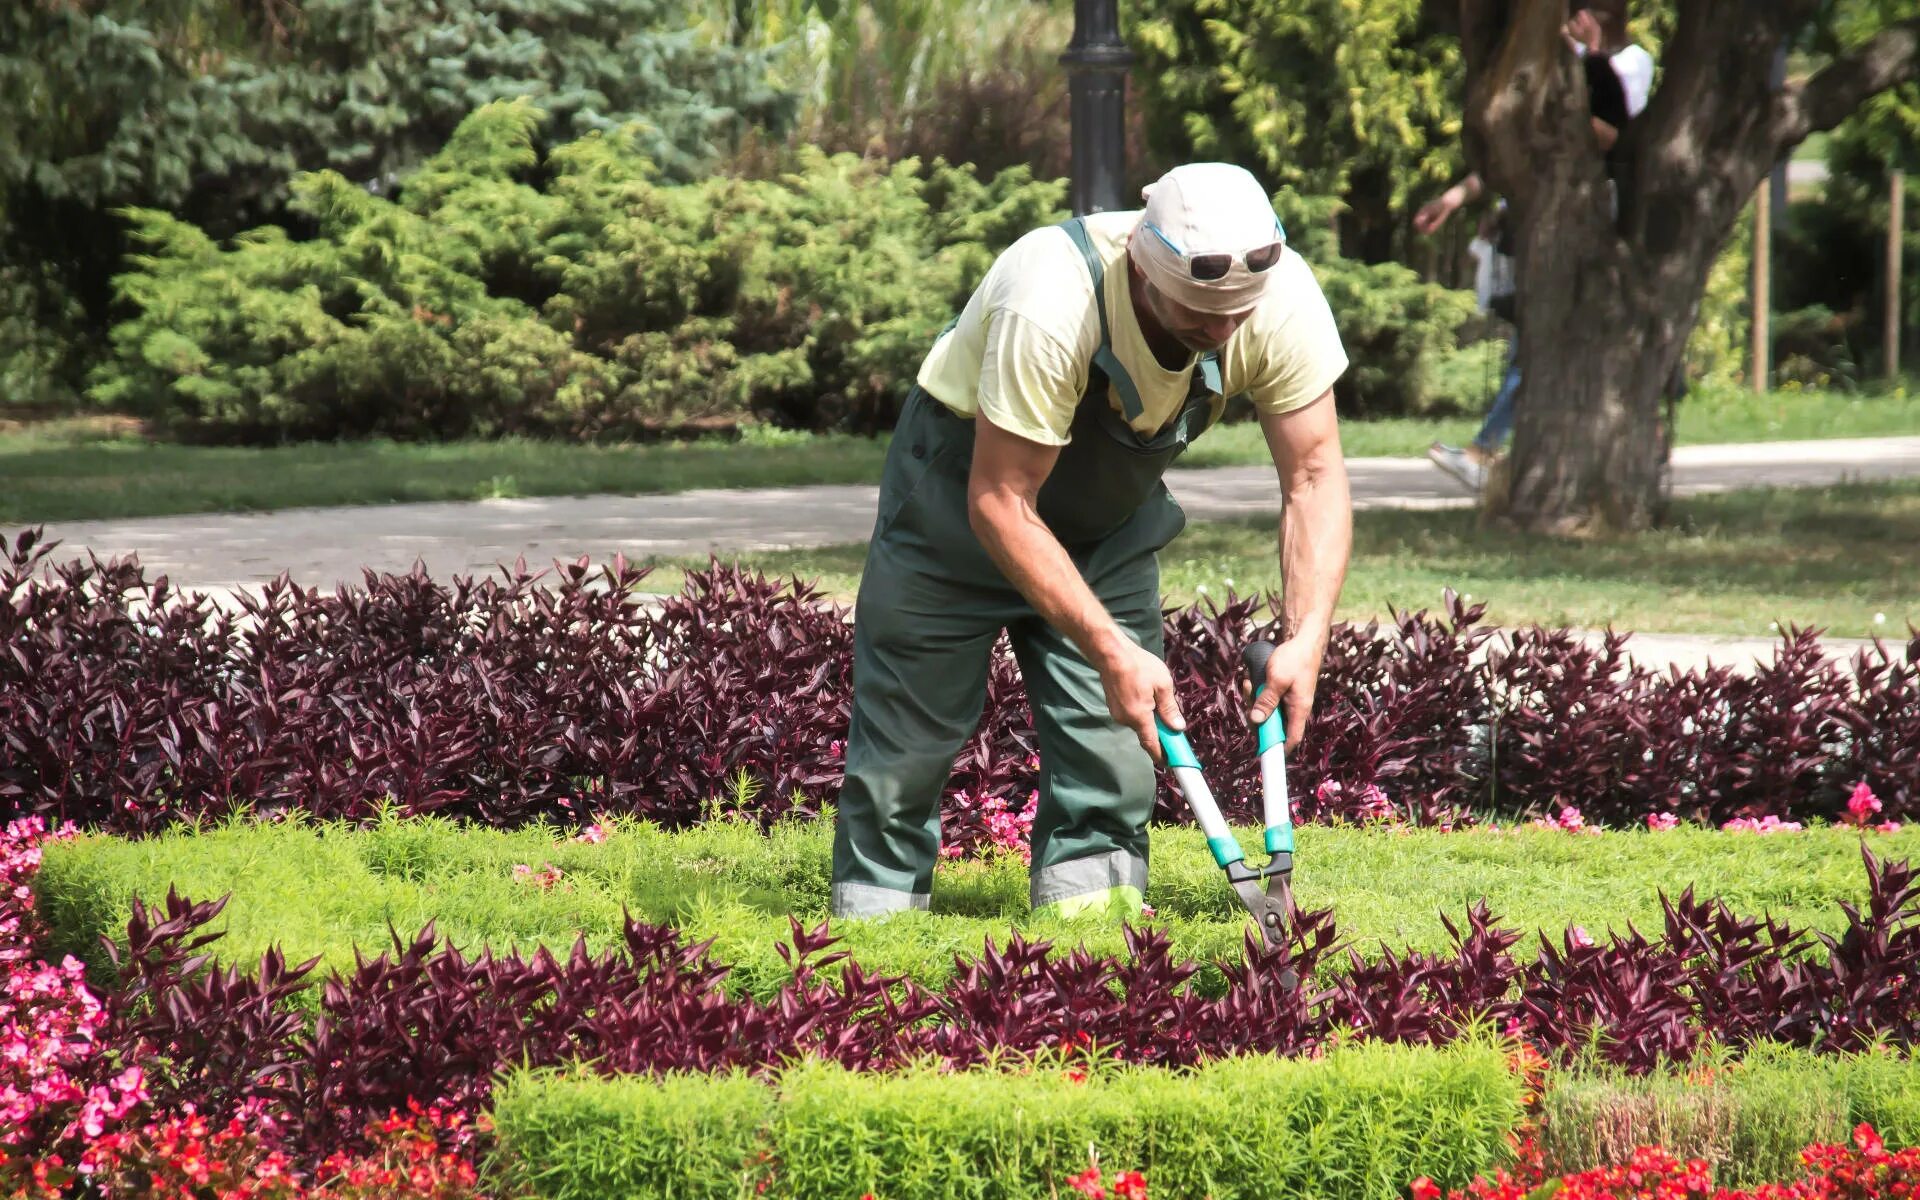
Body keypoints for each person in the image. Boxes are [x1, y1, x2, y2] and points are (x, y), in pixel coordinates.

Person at [830, 163, 1353, 920]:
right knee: (905, 750)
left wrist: (1307, 636)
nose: (1224, 330)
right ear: (1144, 266)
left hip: (1105, 528)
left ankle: (1093, 948)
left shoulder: (1277, 297)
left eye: (1238, 314)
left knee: (1115, 753)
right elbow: (1001, 500)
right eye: (1201, 313)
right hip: (957, 510)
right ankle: (874, 946)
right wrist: (1110, 649)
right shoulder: (1052, 298)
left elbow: (1313, 474)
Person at [1415, 0, 1653, 493]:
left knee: (1546, 345)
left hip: (1597, 224)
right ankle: (1488, 450)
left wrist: (1587, 60)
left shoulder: (1628, 63)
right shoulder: (1569, 67)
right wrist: (1458, 197)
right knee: (1535, 340)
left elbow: (1609, 133)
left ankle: (1487, 451)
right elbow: (1526, 146)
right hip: (1546, 226)